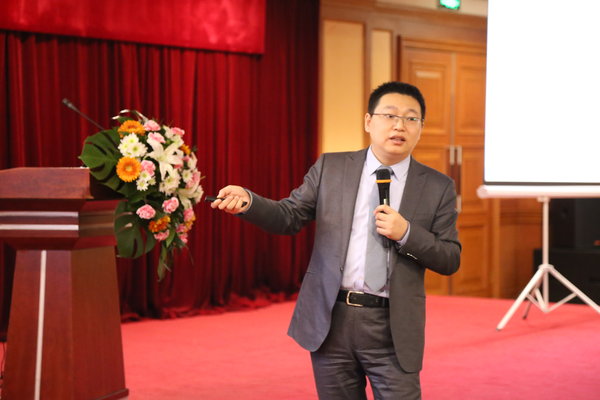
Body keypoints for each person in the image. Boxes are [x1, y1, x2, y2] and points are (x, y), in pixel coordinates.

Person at [210, 81, 461, 399]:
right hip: (331, 320)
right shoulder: (331, 168)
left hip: (393, 326)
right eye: (390, 115)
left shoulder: (438, 186)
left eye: (411, 118)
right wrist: (250, 202)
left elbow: (449, 258)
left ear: (421, 128)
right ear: (368, 121)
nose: (400, 126)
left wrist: (407, 233)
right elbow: (289, 216)